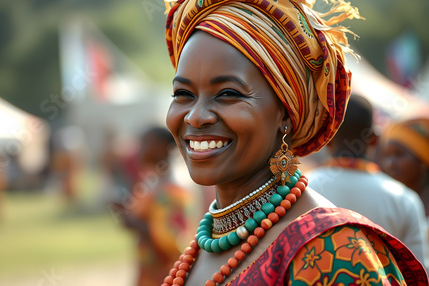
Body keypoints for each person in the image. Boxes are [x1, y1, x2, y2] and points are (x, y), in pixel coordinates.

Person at [161, 0, 428, 285]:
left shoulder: (332, 251)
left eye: (227, 93)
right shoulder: (205, 243)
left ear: (286, 114)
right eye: (183, 94)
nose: (196, 116)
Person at [306, 94, 429, 270]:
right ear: (374, 139)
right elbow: (419, 274)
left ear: (327, 138)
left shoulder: (303, 189)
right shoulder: (403, 199)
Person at [113, 127, 193, 286]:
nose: (139, 150)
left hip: (169, 272)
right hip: (152, 269)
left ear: (163, 147)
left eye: (145, 143)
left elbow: (174, 239)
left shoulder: (174, 186)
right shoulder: (155, 180)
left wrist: (135, 223)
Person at [379, 118, 429, 216]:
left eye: (399, 154)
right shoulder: (383, 202)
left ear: (422, 161)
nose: (390, 164)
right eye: (387, 155)